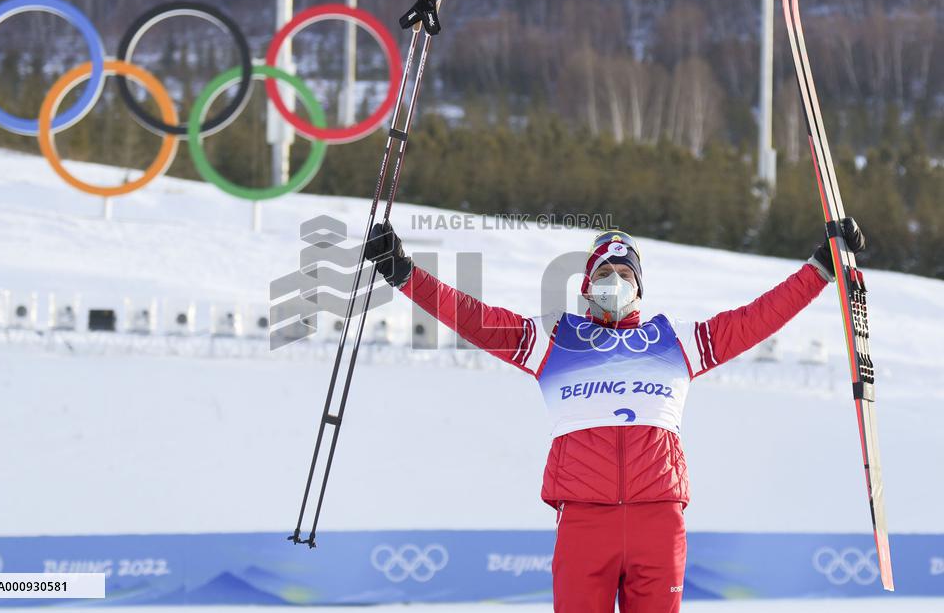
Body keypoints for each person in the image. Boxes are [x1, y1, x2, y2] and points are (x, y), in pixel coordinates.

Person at [363, 218, 866, 613]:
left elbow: (758, 318)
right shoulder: (554, 340)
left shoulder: (676, 341)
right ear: (587, 285)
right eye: (605, 274)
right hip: (584, 522)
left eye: (626, 276)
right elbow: (474, 318)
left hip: (658, 521)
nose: (616, 282)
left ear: (640, 288)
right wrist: (405, 275)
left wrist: (819, 270)